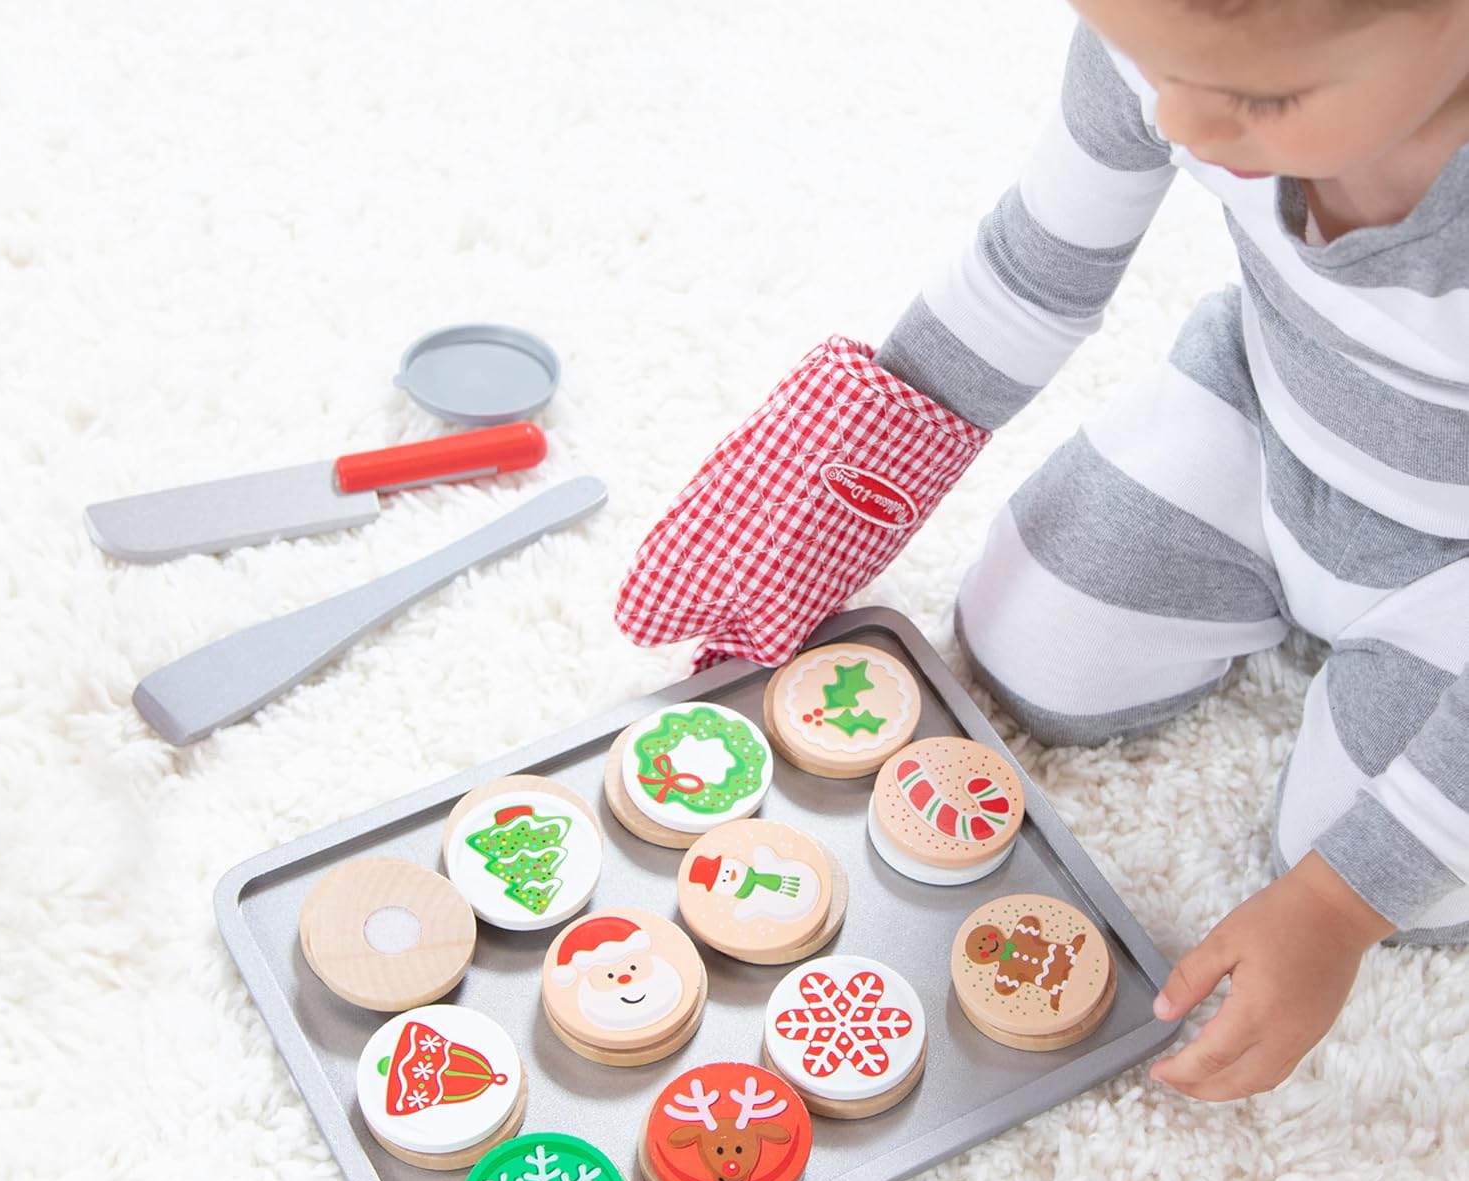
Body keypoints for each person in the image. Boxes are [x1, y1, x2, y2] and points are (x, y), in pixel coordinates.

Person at [616, 0, 1469, 1101]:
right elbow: (1032, 269)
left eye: (1264, 101)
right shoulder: (1171, 53)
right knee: (1029, 640)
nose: (1187, 124)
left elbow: (1350, 888)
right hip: (1271, 423)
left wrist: (1340, 904)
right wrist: (834, 495)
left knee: (1390, 870)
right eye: (1158, 70)